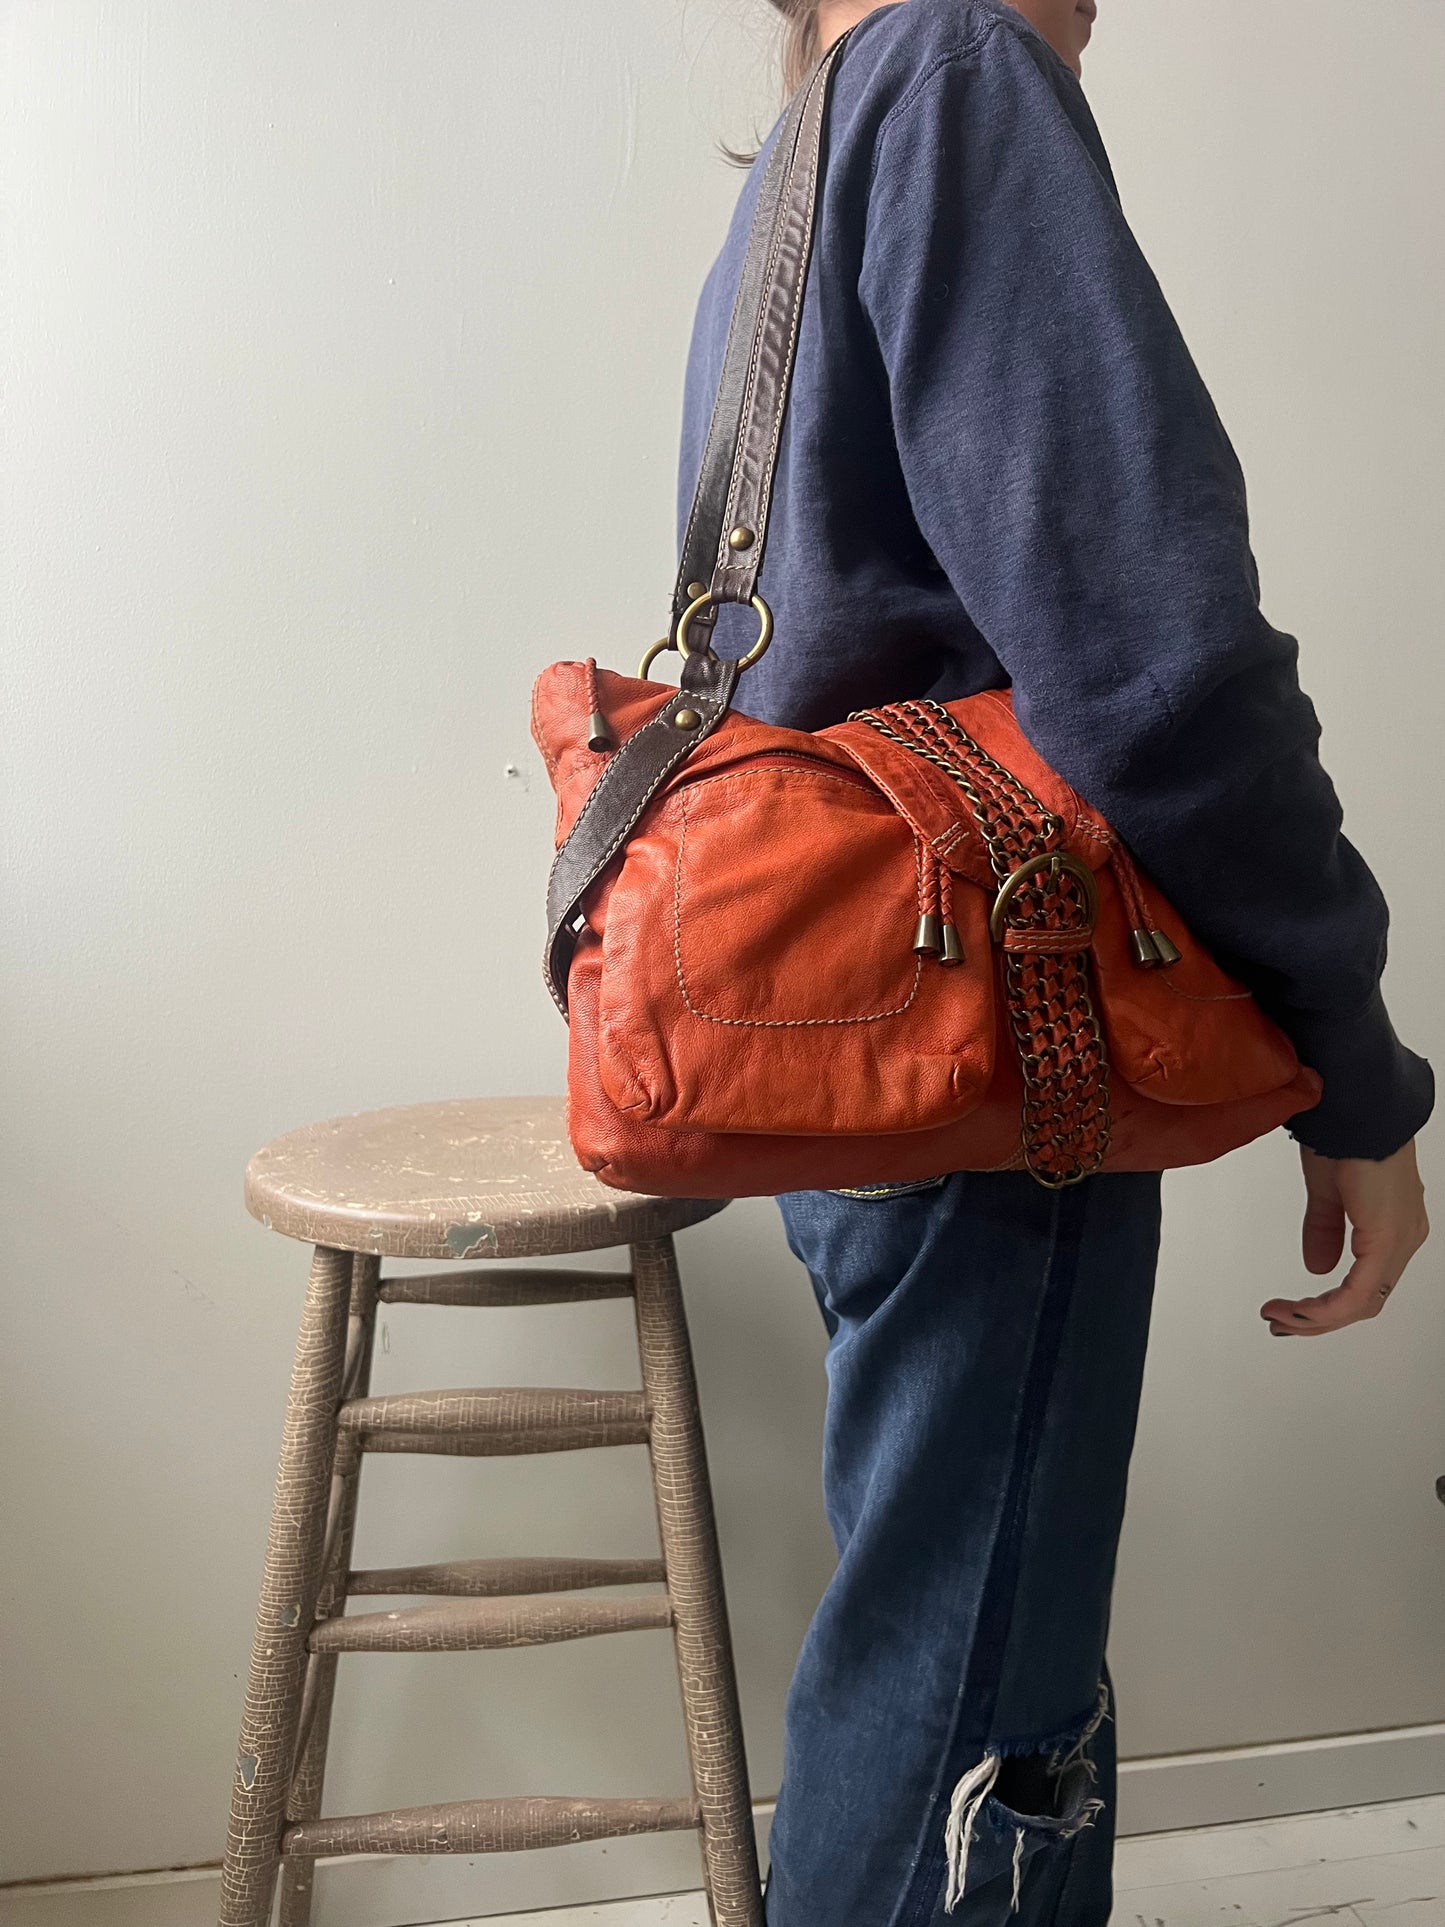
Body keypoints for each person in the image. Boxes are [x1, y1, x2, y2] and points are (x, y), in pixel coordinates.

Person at [675, 1, 1434, 1922]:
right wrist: (1343, 1054)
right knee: (971, 1703)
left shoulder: (815, 139)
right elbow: (1153, 663)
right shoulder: (950, 71)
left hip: (863, 1036)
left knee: (941, 1642)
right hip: (977, 1042)